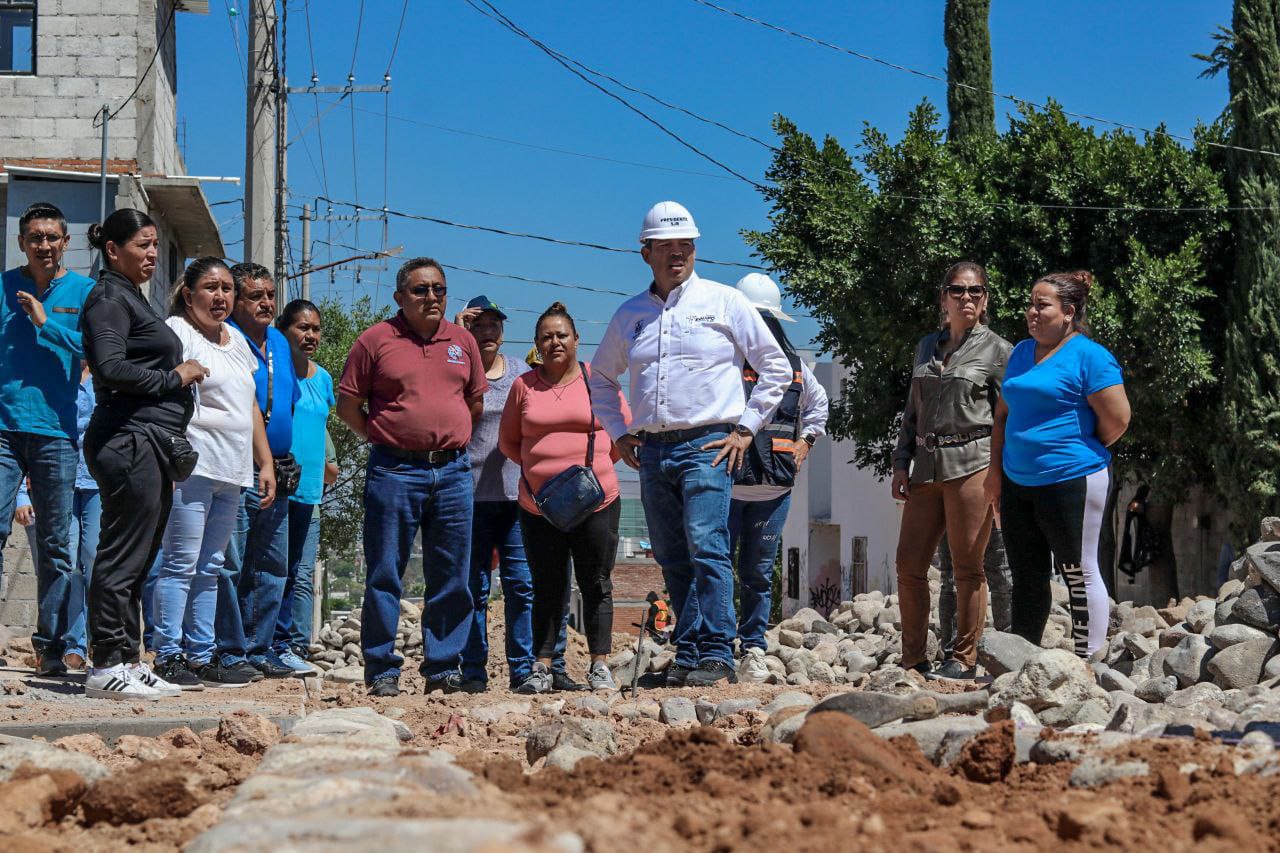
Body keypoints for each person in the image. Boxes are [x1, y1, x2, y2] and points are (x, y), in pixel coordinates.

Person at [589, 202, 791, 688]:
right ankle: (690, 649)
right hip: (652, 450)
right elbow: (600, 377)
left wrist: (746, 429)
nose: (677, 254)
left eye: (686, 245)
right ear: (646, 253)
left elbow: (777, 367)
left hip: (708, 445)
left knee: (707, 546)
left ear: (696, 249)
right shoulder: (630, 315)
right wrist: (618, 432)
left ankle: (718, 652)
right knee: (671, 555)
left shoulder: (725, 302)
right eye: (666, 246)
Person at [337, 257, 487, 697]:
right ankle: (382, 669)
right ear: (400, 297)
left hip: (453, 472)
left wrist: (446, 435)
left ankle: (442, 667)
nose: (432, 297)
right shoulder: (375, 341)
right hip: (394, 471)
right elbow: (348, 406)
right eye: (421, 290)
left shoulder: (463, 341)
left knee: (452, 575)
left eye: (439, 289)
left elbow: (474, 403)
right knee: (385, 572)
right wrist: (386, 438)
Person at [81, 208, 205, 700]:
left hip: (149, 441)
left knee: (142, 556)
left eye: (155, 244)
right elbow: (110, 368)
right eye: (143, 245)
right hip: (126, 439)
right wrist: (175, 376)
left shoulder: (132, 296)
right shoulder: (108, 299)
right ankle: (104, 665)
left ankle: (130, 660)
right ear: (113, 250)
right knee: (121, 554)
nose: (153, 253)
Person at [987, 270, 1130, 658]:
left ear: (1069, 312)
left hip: (1072, 479)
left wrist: (1076, 448)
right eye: (1030, 304)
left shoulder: (1091, 356)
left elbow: (1118, 420)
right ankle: (1022, 660)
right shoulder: (1021, 353)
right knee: (1027, 574)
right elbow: (1002, 415)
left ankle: (1088, 661)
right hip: (1016, 481)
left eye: (1042, 305)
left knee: (1078, 571)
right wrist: (994, 474)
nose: (1032, 312)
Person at [151, 258, 273, 690]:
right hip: (192, 466)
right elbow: (158, 386)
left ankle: (202, 656)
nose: (220, 296)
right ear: (189, 294)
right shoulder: (175, 332)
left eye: (226, 289)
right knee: (180, 563)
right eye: (210, 287)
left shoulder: (236, 340)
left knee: (211, 566)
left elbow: (250, 406)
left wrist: (265, 462)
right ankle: (167, 654)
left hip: (232, 468)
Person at [499, 301, 631, 693]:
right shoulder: (523, 386)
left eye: (562, 335)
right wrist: (546, 473)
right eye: (546, 337)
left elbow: (621, 435)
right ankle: (541, 668)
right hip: (539, 506)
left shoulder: (597, 381)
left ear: (576, 339)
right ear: (537, 344)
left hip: (597, 501)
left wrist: (587, 476)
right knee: (547, 584)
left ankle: (599, 665)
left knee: (596, 583)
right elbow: (509, 443)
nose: (554, 342)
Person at [891, 261, 1011, 681]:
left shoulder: (999, 350)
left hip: (974, 464)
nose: (966, 298)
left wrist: (1000, 475)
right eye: (957, 290)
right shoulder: (926, 346)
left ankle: (963, 658)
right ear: (943, 298)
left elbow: (1006, 418)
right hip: (925, 467)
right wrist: (900, 462)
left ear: (985, 299)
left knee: (967, 568)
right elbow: (912, 410)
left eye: (975, 291)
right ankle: (913, 660)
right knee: (909, 565)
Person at [455, 295, 580, 693]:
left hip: (517, 497)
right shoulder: (458, 371)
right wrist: (456, 336)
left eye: (493, 325)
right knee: (473, 589)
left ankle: (524, 669)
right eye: (478, 326)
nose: (486, 332)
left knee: (522, 586)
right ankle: (473, 672)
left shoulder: (521, 375)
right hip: (470, 497)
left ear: (503, 331)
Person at [0, 202, 96, 675]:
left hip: (57, 432)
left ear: (65, 242)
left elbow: (95, 347)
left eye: (52, 237)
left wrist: (45, 322)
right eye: (35, 237)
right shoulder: (2, 286)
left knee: (58, 546)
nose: (43, 245)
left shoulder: (84, 291)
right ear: (22, 242)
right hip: (3, 429)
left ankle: (51, 648)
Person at [726, 274, 828, 683]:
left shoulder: (795, 368)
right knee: (716, 568)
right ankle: (716, 645)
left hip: (774, 489)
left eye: (765, 319)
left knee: (757, 572)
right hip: (726, 486)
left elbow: (819, 406)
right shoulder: (725, 363)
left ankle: (752, 644)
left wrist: (807, 440)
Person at [216, 263, 303, 680]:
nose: (267, 303)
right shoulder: (225, 339)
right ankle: (228, 650)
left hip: (277, 471)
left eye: (270, 294)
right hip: (238, 467)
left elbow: (288, 401)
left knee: (271, 565)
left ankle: (260, 647)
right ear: (235, 301)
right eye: (255, 296)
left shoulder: (280, 343)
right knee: (231, 563)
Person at [273, 299, 334, 669]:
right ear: (284, 331)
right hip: (278, 486)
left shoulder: (323, 378)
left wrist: (329, 465)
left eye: (315, 329)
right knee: (274, 569)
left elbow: (320, 428)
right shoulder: (274, 374)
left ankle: (291, 646)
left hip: (310, 491)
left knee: (299, 572)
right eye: (302, 327)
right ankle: (268, 643)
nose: (310, 335)